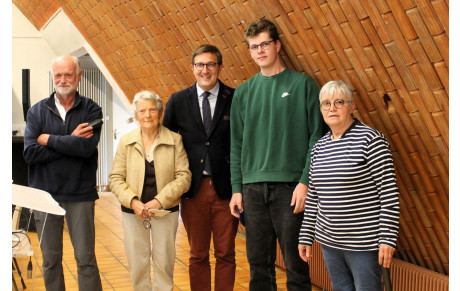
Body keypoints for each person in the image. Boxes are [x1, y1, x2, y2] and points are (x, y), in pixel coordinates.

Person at [229, 19, 324, 290]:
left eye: (264, 44)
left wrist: (305, 182)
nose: (259, 51)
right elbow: (236, 144)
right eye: (253, 47)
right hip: (252, 190)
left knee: (296, 266)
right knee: (258, 266)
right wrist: (238, 189)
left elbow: (316, 138)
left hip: (290, 189)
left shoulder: (304, 85)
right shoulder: (244, 92)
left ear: (277, 45)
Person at [298, 80, 400, 291]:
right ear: (321, 109)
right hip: (329, 243)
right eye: (326, 103)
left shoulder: (371, 140)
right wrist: (306, 235)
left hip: (364, 245)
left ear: (352, 106)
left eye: (339, 102)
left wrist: (387, 239)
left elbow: (389, 194)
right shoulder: (319, 147)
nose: (332, 108)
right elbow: (314, 197)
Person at [162, 44, 239, 291]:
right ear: (192, 68)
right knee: (197, 254)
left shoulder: (235, 98)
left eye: (210, 64)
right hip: (192, 189)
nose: (205, 70)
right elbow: (167, 144)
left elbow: (243, 141)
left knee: (226, 253)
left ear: (220, 67)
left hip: (226, 190)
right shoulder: (177, 100)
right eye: (200, 65)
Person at [23, 55, 103, 290]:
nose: (63, 79)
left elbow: (86, 149)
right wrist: (70, 141)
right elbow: (30, 153)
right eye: (58, 74)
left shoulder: (91, 109)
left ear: (79, 76)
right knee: (50, 261)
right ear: (52, 76)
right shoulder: (37, 111)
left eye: (68, 74)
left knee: (86, 260)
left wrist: (48, 140)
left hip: (80, 194)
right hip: (44, 197)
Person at [109, 90, 191, 291]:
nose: (147, 115)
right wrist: (133, 201)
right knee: (138, 265)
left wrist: (159, 201)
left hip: (165, 211)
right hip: (133, 212)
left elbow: (184, 177)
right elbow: (115, 178)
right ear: (136, 116)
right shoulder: (126, 142)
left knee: (164, 263)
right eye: (142, 111)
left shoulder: (174, 140)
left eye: (152, 110)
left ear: (160, 113)